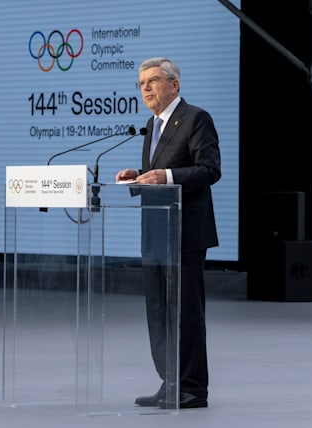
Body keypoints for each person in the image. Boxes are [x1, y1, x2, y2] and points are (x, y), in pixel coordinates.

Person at [115, 57, 221, 409]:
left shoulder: (195, 119)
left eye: (153, 80)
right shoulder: (152, 124)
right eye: (141, 82)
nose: (145, 87)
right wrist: (139, 177)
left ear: (174, 85)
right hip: (156, 234)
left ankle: (192, 388)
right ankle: (169, 381)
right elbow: (157, 174)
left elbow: (209, 169)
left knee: (186, 311)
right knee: (158, 311)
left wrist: (167, 177)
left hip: (186, 234)